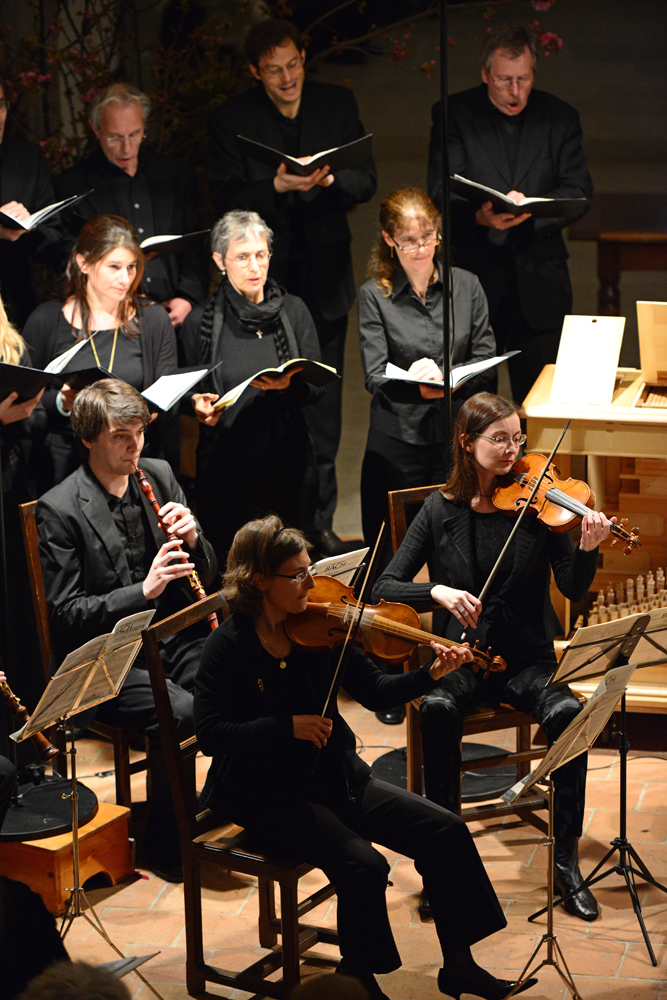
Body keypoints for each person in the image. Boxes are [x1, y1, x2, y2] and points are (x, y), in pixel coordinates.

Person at [194, 514, 538, 1000]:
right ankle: (357, 982)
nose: (310, 584)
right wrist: (284, 727)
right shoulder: (227, 647)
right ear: (258, 581)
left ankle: (459, 965)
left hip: (333, 777)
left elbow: (376, 691)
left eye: (309, 570)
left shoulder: (319, 628)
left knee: (446, 830)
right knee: (365, 866)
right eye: (296, 575)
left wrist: (431, 674)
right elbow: (210, 733)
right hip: (269, 795)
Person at [373, 392, 613, 922]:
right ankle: (441, 865)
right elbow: (385, 583)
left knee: (570, 715)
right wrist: (435, 591)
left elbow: (571, 589)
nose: (514, 450)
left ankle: (566, 865)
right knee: (435, 711)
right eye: (499, 438)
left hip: (527, 661)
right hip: (460, 660)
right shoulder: (439, 510)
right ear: (467, 443)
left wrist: (589, 546)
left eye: (518, 437)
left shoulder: (538, 506)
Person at [208, 19, 377, 554]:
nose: (287, 79)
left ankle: (319, 521)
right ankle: (263, 528)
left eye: (294, 65)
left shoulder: (335, 105)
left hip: (323, 281)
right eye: (274, 71)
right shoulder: (233, 118)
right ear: (256, 71)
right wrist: (275, 186)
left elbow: (365, 179)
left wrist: (329, 179)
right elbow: (224, 193)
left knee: (323, 412)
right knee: (262, 410)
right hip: (263, 287)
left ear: (305, 56)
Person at [36, 380, 217, 880]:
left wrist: (196, 536)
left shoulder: (157, 475)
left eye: (138, 431)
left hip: (171, 637)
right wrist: (145, 590)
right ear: (89, 438)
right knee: (178, 711)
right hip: (107, 659)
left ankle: (222, 805)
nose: (134, 445)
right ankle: (168, 842)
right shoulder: (60, 508)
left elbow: (210, 571)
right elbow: (67, 613)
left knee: (234, 675)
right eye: (120, 435)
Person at [428, 25, 593, 403]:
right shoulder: (454, 114)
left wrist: (532, 212)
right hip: (474, 277)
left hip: (539, 284)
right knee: (474, 409)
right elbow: (438, 191)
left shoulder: (559, 117)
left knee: (540, 406)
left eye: (523, 79)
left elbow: (579, 191)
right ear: (486, 74)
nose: (515, 92)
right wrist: (479, 216)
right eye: (504, 80)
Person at [359, 186, 496, 571]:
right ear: (389, 240)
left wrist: (451, 378)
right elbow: (373, 374)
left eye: (428, 238)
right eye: (408, 242)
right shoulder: (375, 294)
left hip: (456, 436)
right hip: (397, 441)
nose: (421, 249)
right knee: (387, 557)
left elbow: (487, 360)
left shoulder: (466, 286)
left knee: (456, 556)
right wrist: (415, 383)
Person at [179, 210, 321, 566]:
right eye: (242, 257)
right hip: (228, 468)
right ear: (219, 261)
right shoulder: (200, 321)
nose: (254, 266)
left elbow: (318, 389)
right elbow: (182, 393)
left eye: (261, 255)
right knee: (238, 571)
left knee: (290, 569)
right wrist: (196, 402)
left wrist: (289, 384)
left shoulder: (295, 310)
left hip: (289, 461)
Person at [22, 214, 178, 491]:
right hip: (64, 468)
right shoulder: (46, 320)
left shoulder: (153, 319)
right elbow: (26, 402)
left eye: (131, 267)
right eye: (114, 267)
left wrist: (147, 412)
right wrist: (62, 401)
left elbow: (167, 400)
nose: (125, 278)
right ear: (83, 263)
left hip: (132, 464)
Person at [54, 83, 207, 328]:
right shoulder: (72, 186)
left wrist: (187, 296)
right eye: (115, 137)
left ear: (144, 126)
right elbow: (71, 257)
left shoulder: (176, 174)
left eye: (135, 134)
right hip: (111, 318)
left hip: (176, 312)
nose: (126, 148)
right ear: (96, 129)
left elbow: (193, 244)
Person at [0, 81, 64, 328]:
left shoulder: (27, 157)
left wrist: (28, 227)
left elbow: (54, 237)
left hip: (18, 305)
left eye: (1, 105)